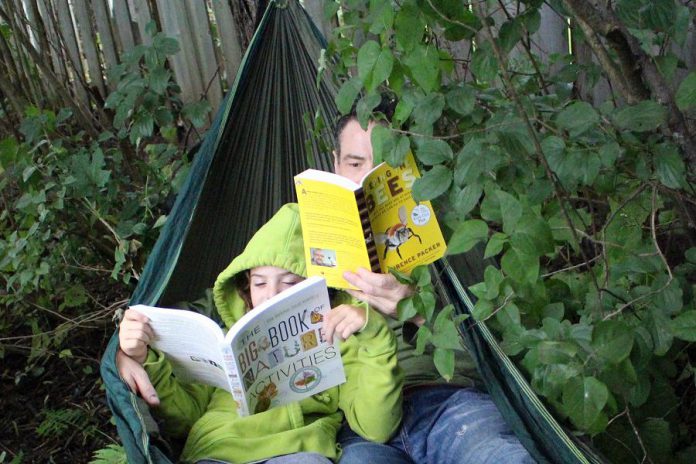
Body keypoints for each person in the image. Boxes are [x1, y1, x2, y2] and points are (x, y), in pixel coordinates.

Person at [118, 203, 403, 463]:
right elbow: (183, 419)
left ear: (317, 289)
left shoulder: (341, 341)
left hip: (297, 453)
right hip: (216, 453)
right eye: (260, 283)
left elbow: (375, 428)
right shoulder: (225, 342)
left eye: (289, 283)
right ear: (246, 288)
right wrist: (148, 361)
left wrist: (376, 337)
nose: (271, 296)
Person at [331, 105, 534, 464]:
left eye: (383, 165)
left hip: (453, 403)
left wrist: (416, 310)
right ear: (335, 163)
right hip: (367, 428)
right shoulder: (305, 249)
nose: (367, 179)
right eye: (355, 164)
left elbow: (498, 359)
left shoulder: (453, 239)